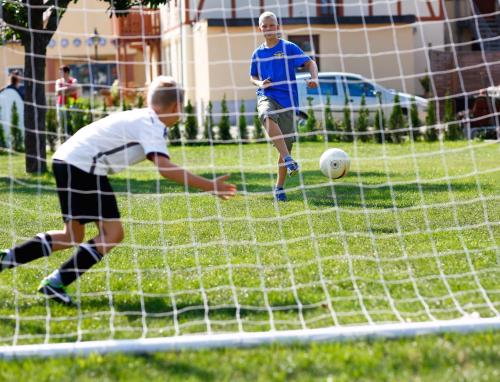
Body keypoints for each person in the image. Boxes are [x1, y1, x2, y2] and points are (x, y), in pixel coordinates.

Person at [0, 76, 237, 305]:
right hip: (83, 165)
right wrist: (210, 185)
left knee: (72, 235)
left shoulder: (143, 118)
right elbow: (165, 168)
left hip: (67, 159)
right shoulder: (151, 123)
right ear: (176, 106)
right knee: (112, 234)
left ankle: (8, 258)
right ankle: (56, 282)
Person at [250, 11, 318, 202]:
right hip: (267, 95)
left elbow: (310, 63)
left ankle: (279, 187)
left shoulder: (288, 48)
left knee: (284, 147)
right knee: (265, 114)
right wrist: (260, 83)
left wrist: (314, 78)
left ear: (277, 27)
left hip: (288, 101)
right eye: (265, 26)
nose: (269, 29)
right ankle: (289, 160)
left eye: (272, 25)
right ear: (260, 28)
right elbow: (252, 76)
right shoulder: (257, 53)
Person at [55, 65, 79, 141]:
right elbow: (57, 91)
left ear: (67, 72)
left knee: (72, 122)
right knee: (61, 123)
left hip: (72, 105)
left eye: (61, 72)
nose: (60, 74)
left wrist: (63, 91)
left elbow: (75, 89)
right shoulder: (58, 81)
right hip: (61, 104)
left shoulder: (74, 80)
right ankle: (62, 139)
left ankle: (72, 139)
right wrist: (69, 89)